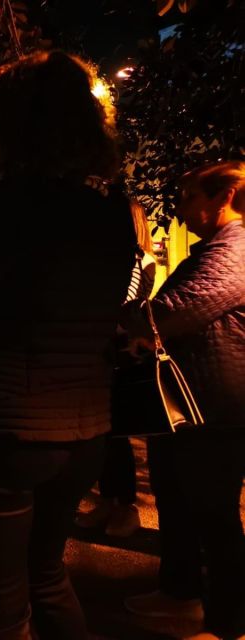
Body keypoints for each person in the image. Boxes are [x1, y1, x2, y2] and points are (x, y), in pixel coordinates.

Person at [0, 51, 136, 639]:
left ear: (10, 123)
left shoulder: (6, 207)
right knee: (46, 575)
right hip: (83, 428)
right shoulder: (112, 212)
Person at [122, 160, 245, 640]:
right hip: (189, 401)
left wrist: (124, 318)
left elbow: (180, 309)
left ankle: (228, 620)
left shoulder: (235, 249)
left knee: (213, 514)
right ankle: (179, 594)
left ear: (225, 196)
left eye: (191, 196)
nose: (181, 207)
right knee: (176, 500)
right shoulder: (214, 247)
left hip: (218, 403)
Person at [75, 202, 157, 538]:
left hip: (118, 354)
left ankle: (126, 507)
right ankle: (109, 500)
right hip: (103, 351)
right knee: (103, 435)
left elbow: (124, 305)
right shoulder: (116, 258)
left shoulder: (138, 260)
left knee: (117, 434)